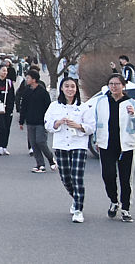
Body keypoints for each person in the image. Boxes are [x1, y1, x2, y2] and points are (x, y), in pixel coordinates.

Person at [94, 73, 135, 222]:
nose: (114, 86)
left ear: (123, 85)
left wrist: (134, 114)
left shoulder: (131, 102)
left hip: (126, 145)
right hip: (106, 144)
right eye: (111, 84)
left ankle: (125, 208)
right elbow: (96, 121)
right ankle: (113, 201)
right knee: (108, 175)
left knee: (125, 179)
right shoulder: (102, 102)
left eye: (117, 84)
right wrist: (96, 140)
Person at [45, 76, 96, 222]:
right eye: (66, 86)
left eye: (72, 86)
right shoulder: (54, 106)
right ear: (62, 88)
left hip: (78, 144)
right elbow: (47, 124)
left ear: (76, 89)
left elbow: (91, 127)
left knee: (77, 177)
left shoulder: (84, 107)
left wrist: (79, 126)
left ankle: (79, 210)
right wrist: (57, 123)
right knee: (66, 178)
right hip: (61, 145)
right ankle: (76, 198)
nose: (70, 89)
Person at [18, 69, 56, 173]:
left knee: (41, 142)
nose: (27, 79)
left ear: (34, 79)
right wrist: (21, 121)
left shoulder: (42, 91)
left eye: (29, 78)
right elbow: (23, 107)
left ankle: (51, 159)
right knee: (33, 144)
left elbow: (48, 107)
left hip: (41, 122)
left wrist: (49, 120)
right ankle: (40, 164)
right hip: (30, 121)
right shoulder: (26, 91)